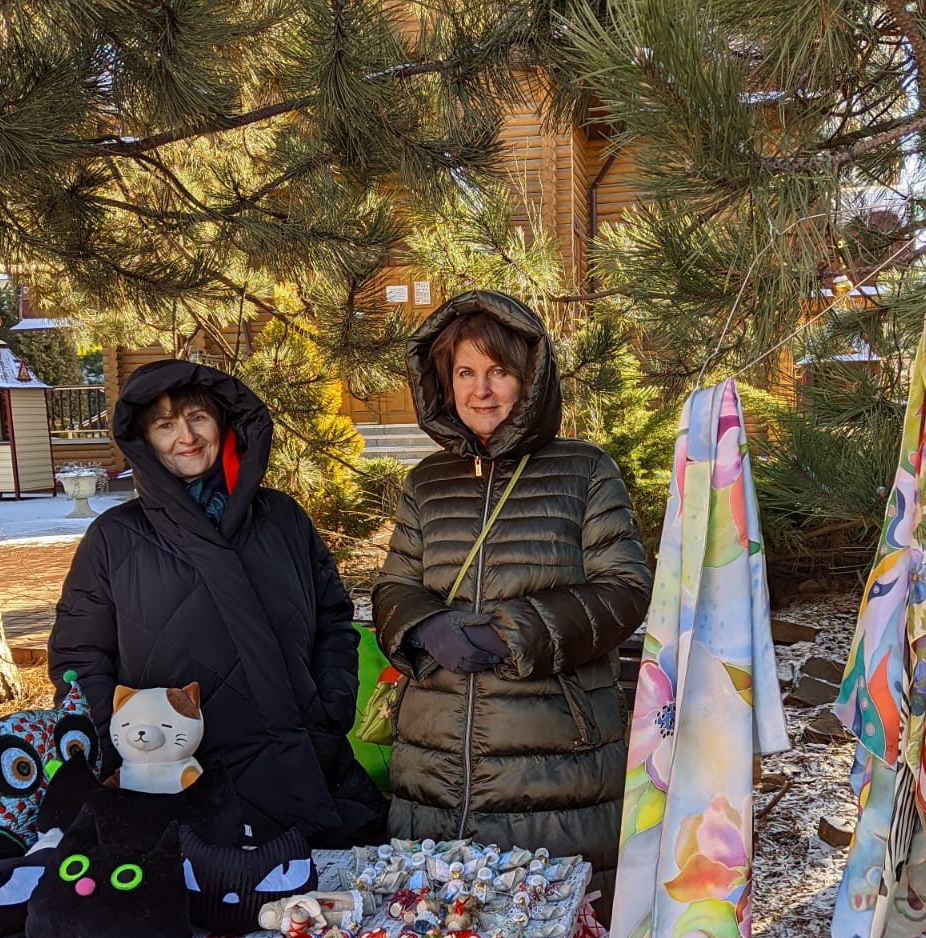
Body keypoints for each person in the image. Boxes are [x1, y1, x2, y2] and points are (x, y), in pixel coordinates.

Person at [372, 291, 652, 904]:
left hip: (554, 766)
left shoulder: (586, 470)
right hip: (434, 759)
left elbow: (625, 588)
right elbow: (395, 584)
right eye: (464, 373)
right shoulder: (427, 482)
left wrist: (514, 632)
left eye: (498, 371)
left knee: (545, 932)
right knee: (434, 932)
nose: (481, 391)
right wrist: (422, 627)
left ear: (531, 378)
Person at [49, 360, 385, 847]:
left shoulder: (283, 519)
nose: (185, 436)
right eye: (165, 425)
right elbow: (80, 657)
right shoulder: (115, 538)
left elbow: (333, 620)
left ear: (224, 423)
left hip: (306, 763)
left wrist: (330, 708)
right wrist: (121, 744)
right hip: (175, 786)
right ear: (145, 441)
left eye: (197, 417)